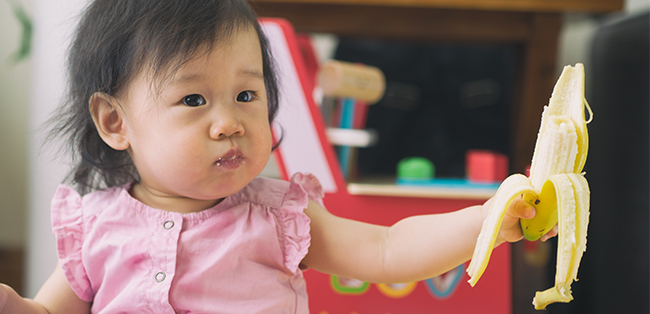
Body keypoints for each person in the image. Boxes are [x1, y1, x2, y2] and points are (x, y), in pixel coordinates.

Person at [0, 0, 556, 313]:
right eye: (193, 99)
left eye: (247, 95)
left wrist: (487, 220)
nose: (229, 122)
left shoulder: (277, 216)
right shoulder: (95, 224)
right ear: (115, 122)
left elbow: (388, 249)